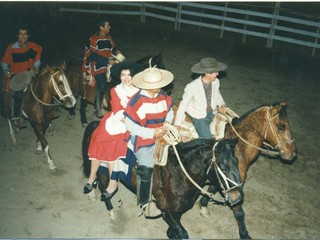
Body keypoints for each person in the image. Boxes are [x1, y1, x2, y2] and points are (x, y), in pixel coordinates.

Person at [83, 62, 142, 201]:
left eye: (129, 75)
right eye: (123, 75)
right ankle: (91, 176)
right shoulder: (115, 90)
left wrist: (132, 122)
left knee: (114, 143)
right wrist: (124, 119)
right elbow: (116, 108)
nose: (126, 78)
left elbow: (139, 111)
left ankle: (113, 182)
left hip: (133, 123)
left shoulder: (140, 92)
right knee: (97, 137)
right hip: (117, 118)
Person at [124, 67, 174, 218]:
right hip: (143, 137)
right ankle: (144, 201)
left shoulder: (163, 95)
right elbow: (130, 125)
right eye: (159, 84)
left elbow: (170, 112)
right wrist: (152, 133)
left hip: (162, 133)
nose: (162, 86)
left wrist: (166, 123)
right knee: (146, 167)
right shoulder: (136, 101)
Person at [174, 57, 227, 139]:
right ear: (207, 73)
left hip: (212, 112)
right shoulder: (192, 86)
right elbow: (183, 104)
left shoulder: (216, 82)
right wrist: (177, 123)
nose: (217, 74)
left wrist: (221, 104)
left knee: (226, 131)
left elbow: (218, 95)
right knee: (207, 138)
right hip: (199, 116)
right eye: (215, 72)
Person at [82, 18, 124, 118]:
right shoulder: (93, 39)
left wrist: (118, 53)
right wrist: (108, 61)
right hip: (98, 65)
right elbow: (91, 55)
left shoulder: (109, 37)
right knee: (102, 84)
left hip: (110, 63)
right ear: (101, 28)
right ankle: (98, 108)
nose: (110, 27)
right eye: (107, 26)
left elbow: (113, 49)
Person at [1, 25, 43, 126]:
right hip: (16, 75)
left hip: (29, 73)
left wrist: (35, 67)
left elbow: (37, 60)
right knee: (18, 91)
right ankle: (17, 116)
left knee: (43, 86)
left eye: (25, 34)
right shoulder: (11, 48)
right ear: (17, 35)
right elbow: (4, 62)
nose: (23, 36)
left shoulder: (33, 46)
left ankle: (48, 109)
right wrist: (6, 70)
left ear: (28, 36)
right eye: (20, 34)